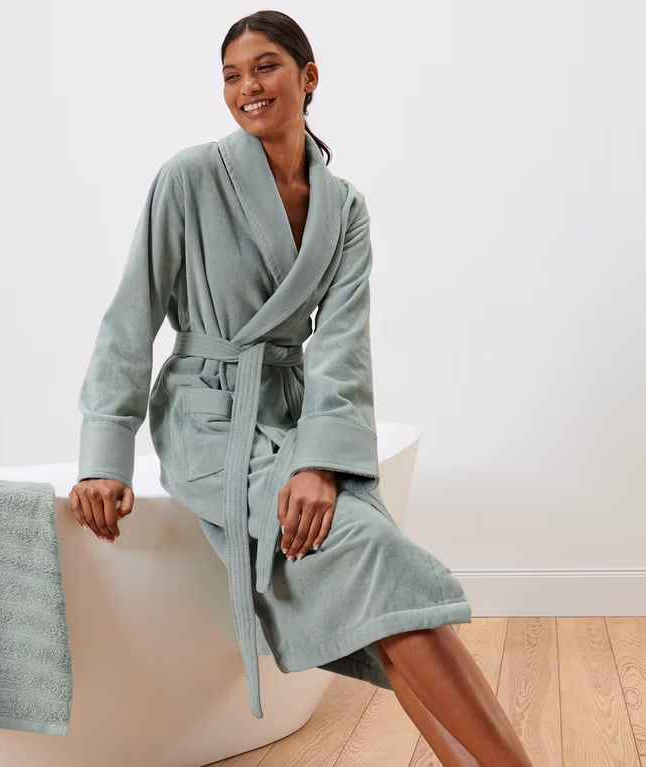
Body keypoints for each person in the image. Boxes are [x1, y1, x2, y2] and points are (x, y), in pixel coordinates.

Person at [70, 10, 535, 766]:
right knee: (369, 552)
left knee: (379, 574)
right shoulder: (188, 178)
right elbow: (130, 319)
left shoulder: (344, 207)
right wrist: (103, 455)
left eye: (265, 67)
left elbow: (342, 346)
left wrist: (319, 461)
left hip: (293, 420)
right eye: (231, 75)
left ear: (307, 77)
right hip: (206, 422)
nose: (247, 87)